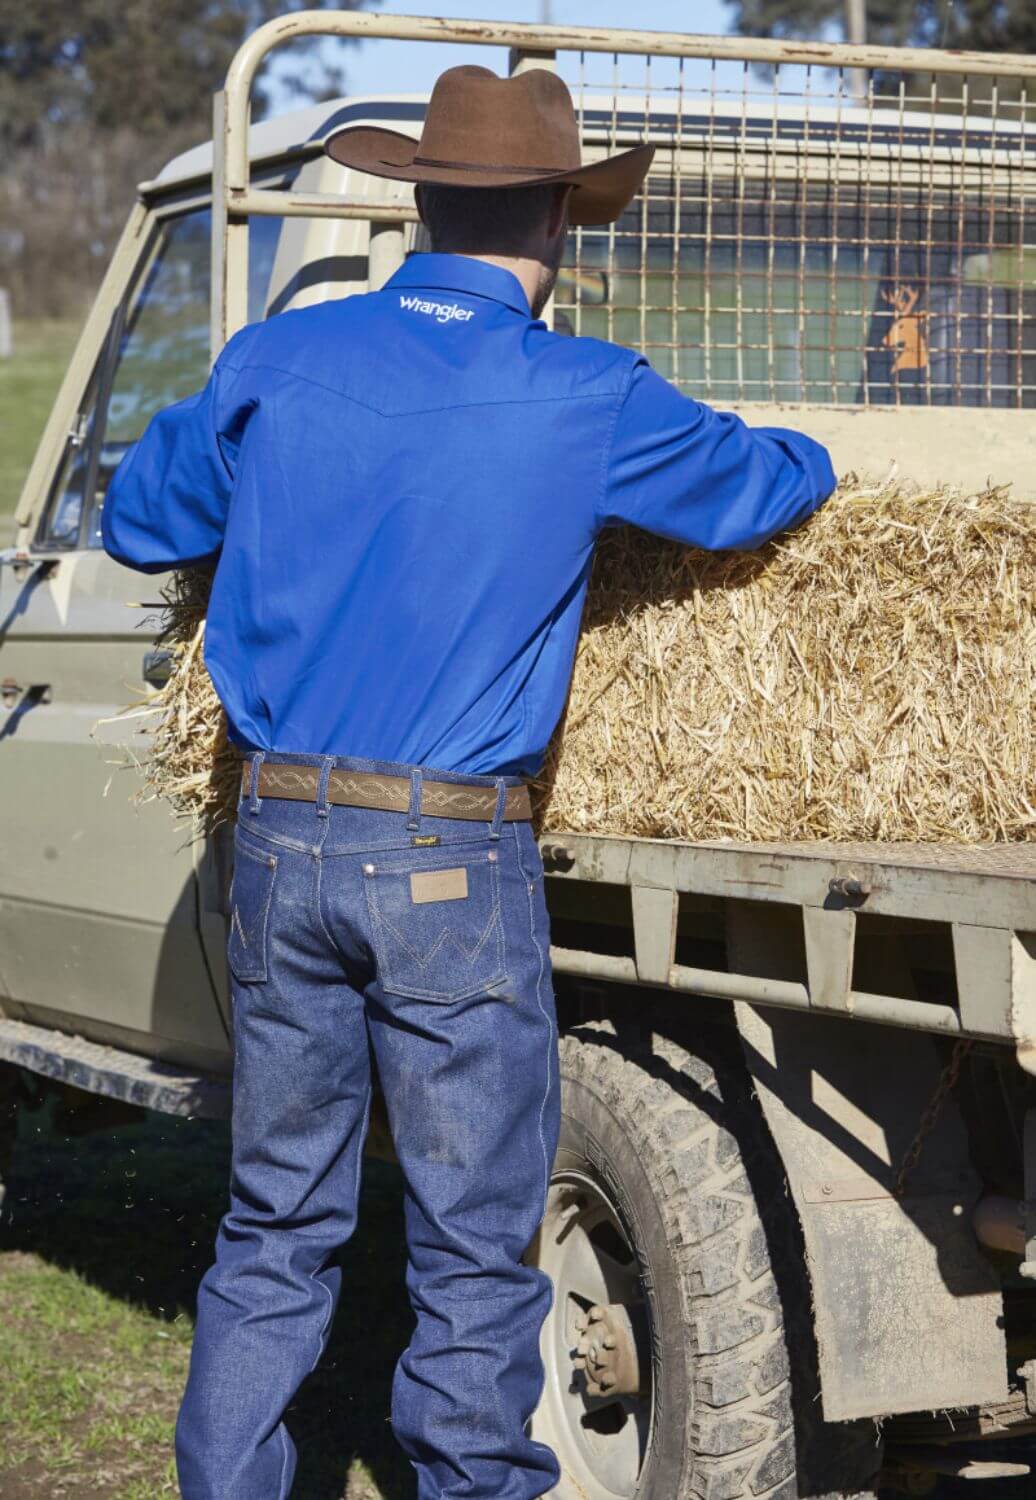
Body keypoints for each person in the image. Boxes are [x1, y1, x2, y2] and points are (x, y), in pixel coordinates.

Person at [102, 63, 836, 1500]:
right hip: (449, 865)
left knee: (274, 1226)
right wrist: (820, 451)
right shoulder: (585, 394)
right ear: (559, 219)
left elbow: (140, 519)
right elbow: (759, 489)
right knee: (471, 1245)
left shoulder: (279, 359)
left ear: (421, 208)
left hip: (282, 843)